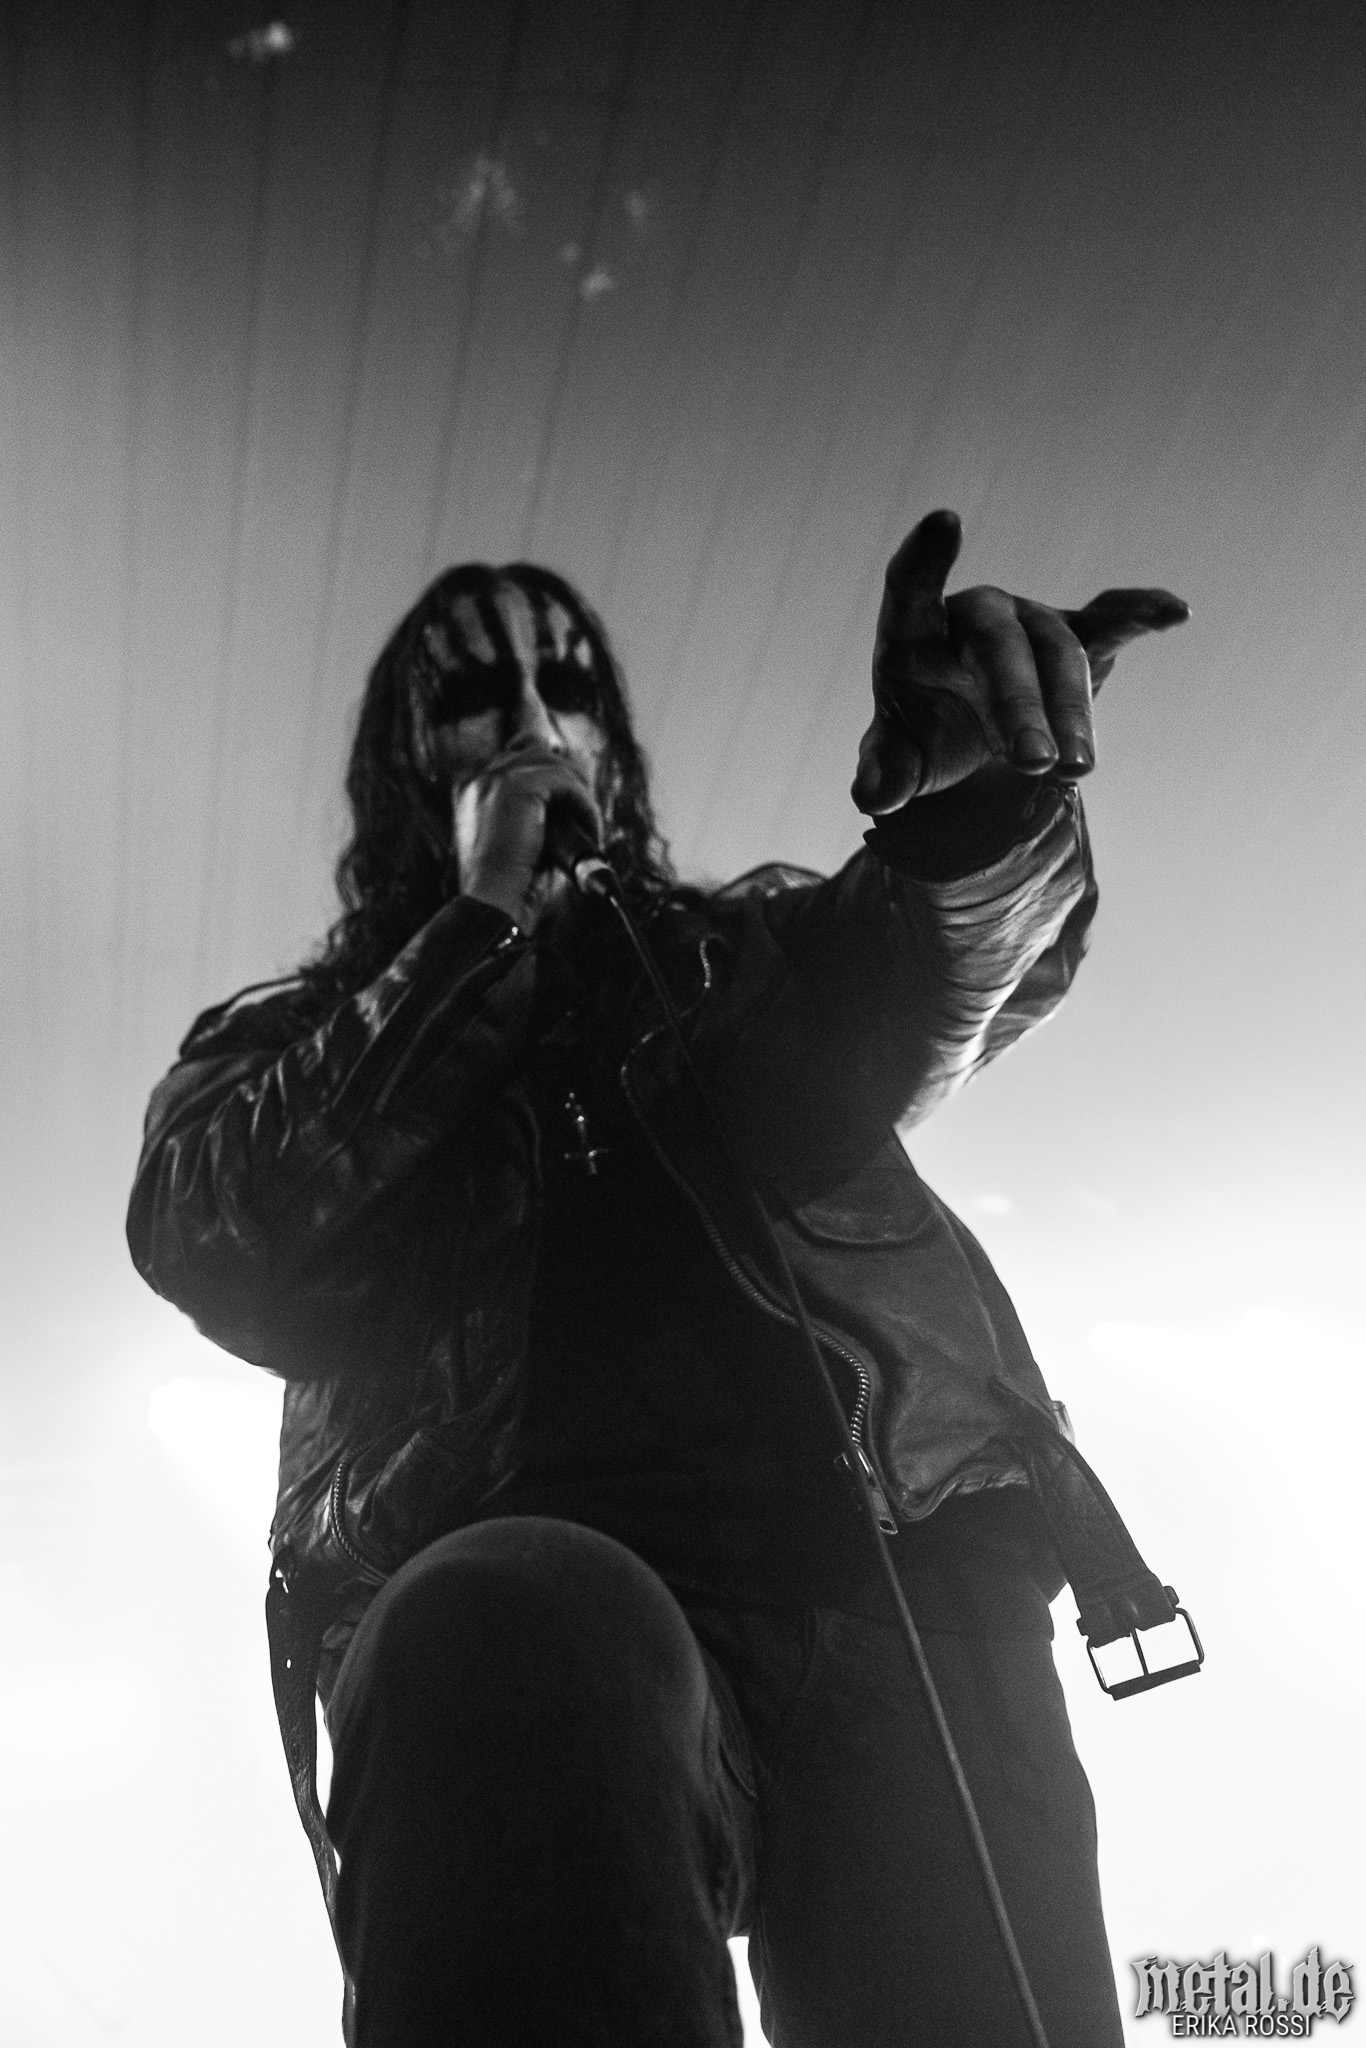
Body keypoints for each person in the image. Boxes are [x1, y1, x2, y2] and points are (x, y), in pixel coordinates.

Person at [127, 509, 1189, 2048]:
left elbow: (941, 978)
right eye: (474, 698)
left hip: (896, 1585)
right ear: (403, 772)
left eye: (565, 686)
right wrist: (479, 931)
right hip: (521, 1608)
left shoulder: (738, 960)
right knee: (500, 1618)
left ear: (613, 751)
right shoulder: (293, 1043)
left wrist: (978, 808)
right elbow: (219, 1237)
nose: (531, 720)